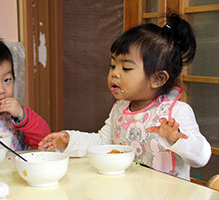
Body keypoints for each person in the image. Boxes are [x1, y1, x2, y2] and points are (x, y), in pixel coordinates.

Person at [38, 13, 211, 180]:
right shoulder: (120, 108)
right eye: (112, 65)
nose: (115, 74)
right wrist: (69, 140)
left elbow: (201, 157)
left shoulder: (176, 112)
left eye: (126, 68)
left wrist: (176, 138)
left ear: (157, 78)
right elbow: (102, 141)